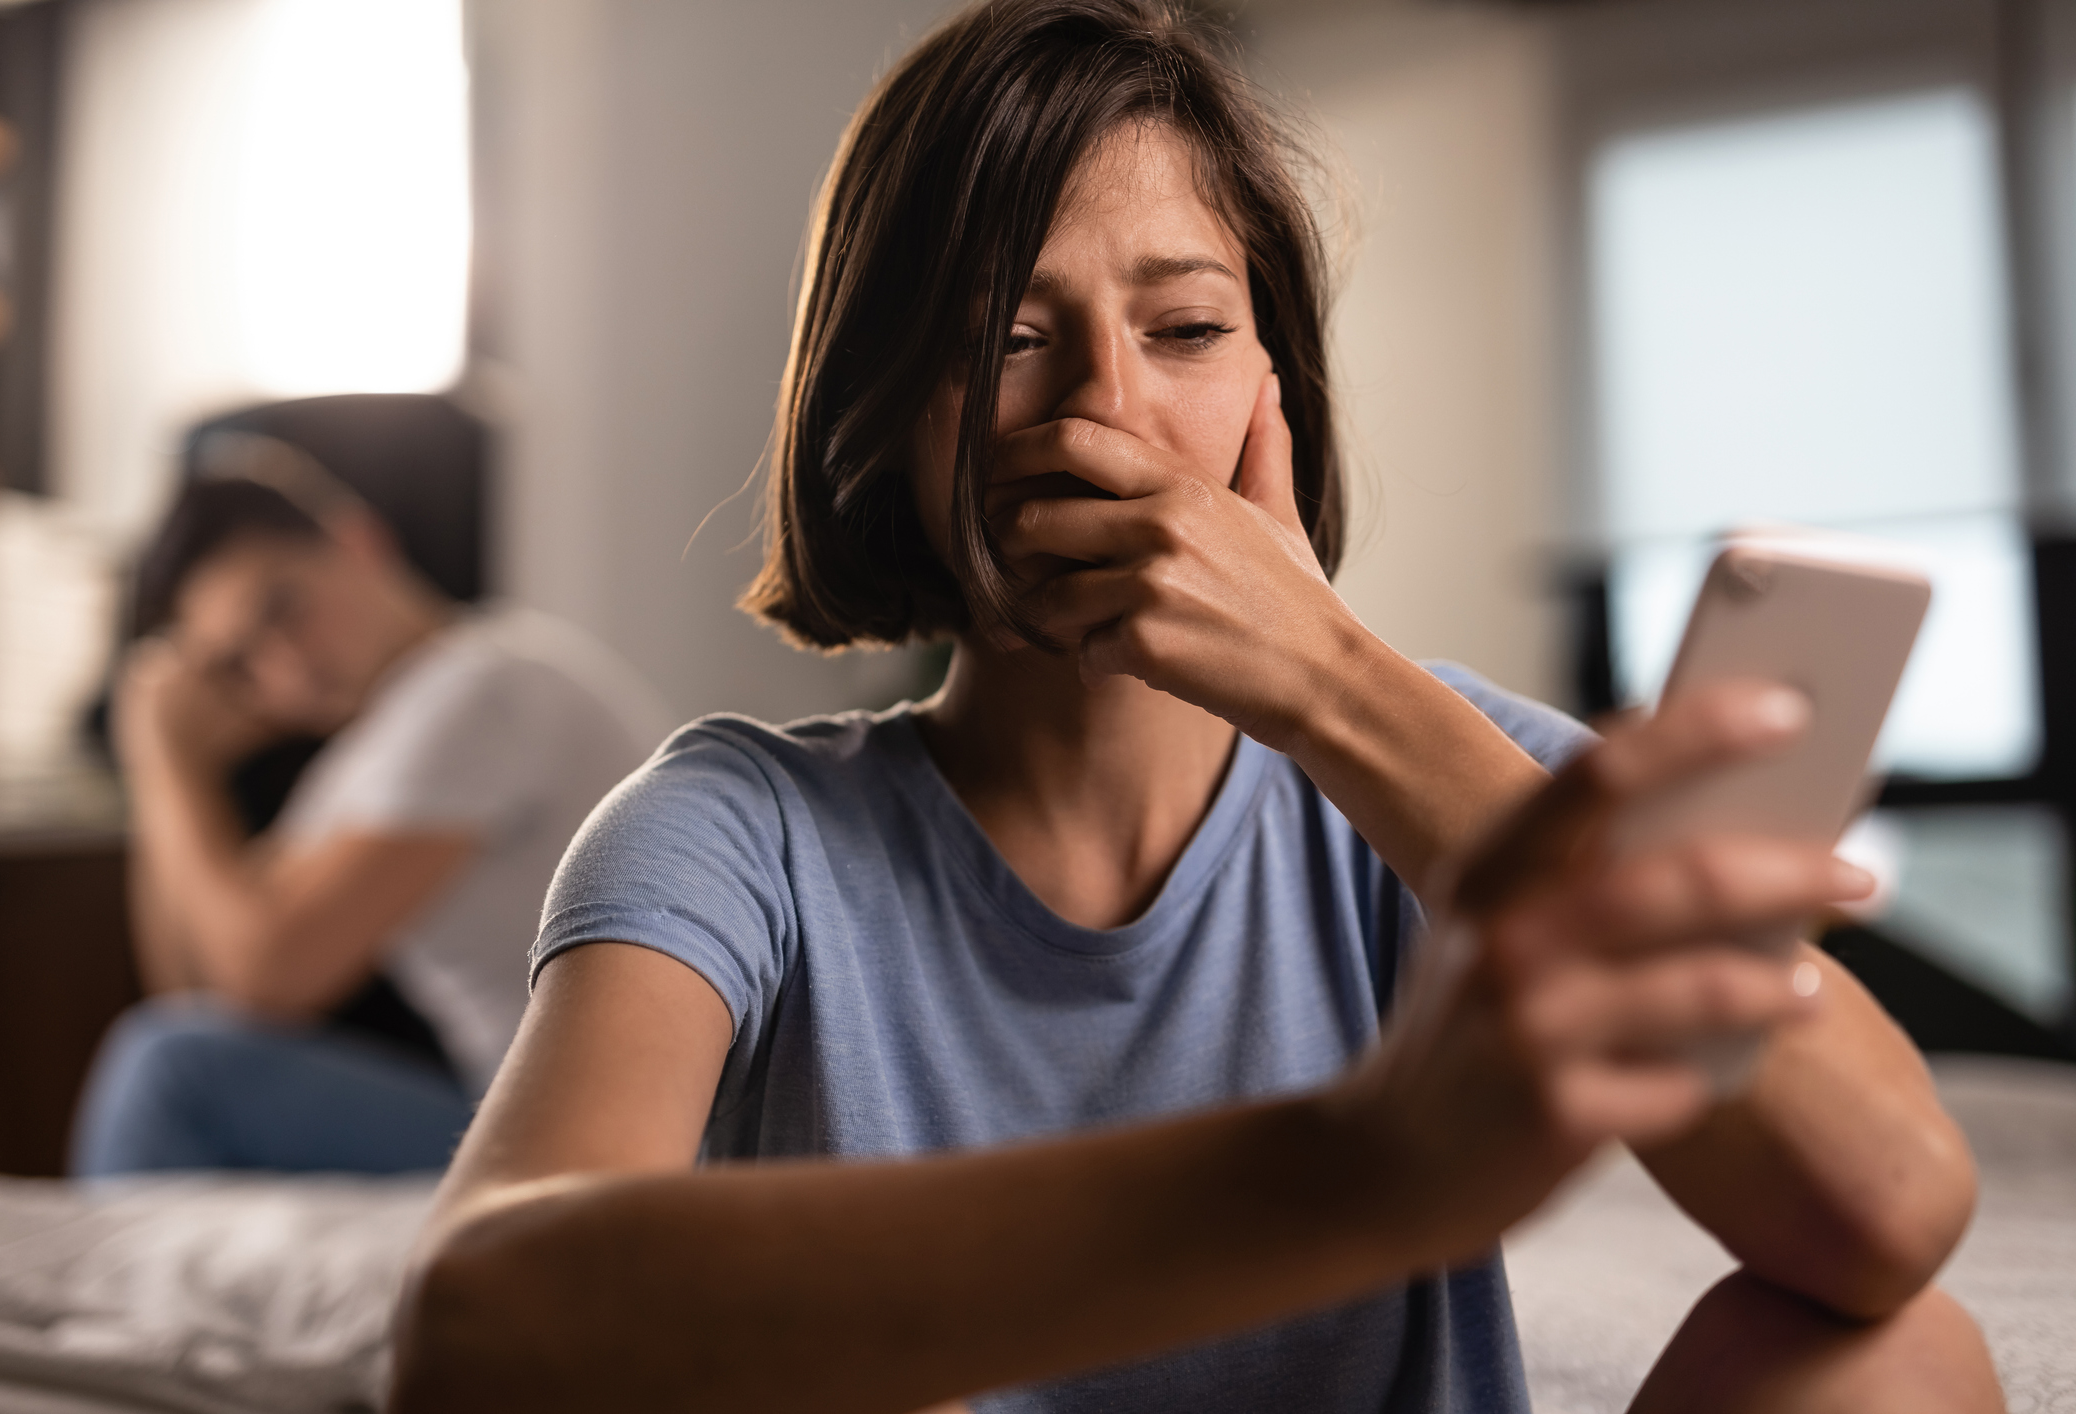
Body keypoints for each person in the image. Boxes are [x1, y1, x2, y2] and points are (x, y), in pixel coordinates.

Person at [389, 3, 2001, 1410]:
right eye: (1010, 338)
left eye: (1184, 330)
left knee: (1891, 1353)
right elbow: (474, 1324)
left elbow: (1889, 1206)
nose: (1105, 406)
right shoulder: (741, 831)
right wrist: (1359, 1173)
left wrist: (1330, 680)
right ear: (881, 418)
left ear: (1269, 394)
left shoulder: (1449, 766)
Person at [74, 465, 664, 1176]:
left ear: (357, 541)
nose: (283, 667)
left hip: (603, 1137)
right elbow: (201, 994)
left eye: (281, 608)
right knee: (169, 1058)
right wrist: (160, 769)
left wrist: (171, 767)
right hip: (530, 1113)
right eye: (239, 666)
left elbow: (267, 978)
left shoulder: (483, 689)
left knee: (170, 1074)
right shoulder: (361, 758)